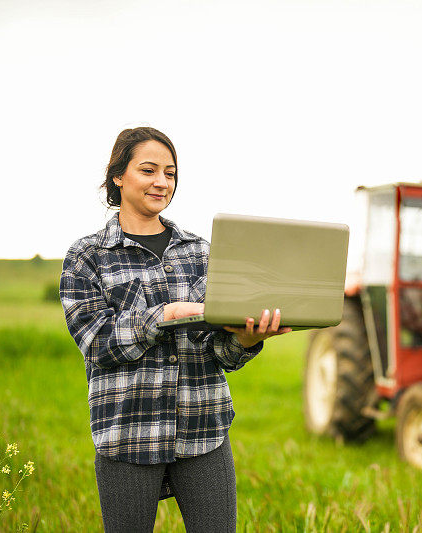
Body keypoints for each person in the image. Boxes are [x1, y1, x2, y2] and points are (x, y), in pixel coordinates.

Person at [59, 126, 290, 532]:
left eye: (170, 173)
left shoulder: (201, 252)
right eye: (148, 170)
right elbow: (97, 344)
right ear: (118, 175)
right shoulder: (87, 256)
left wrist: (248, 338)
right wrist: (164, 315)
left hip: (204, 429)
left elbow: (219, 351)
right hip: (127, 432)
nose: (161, 182)